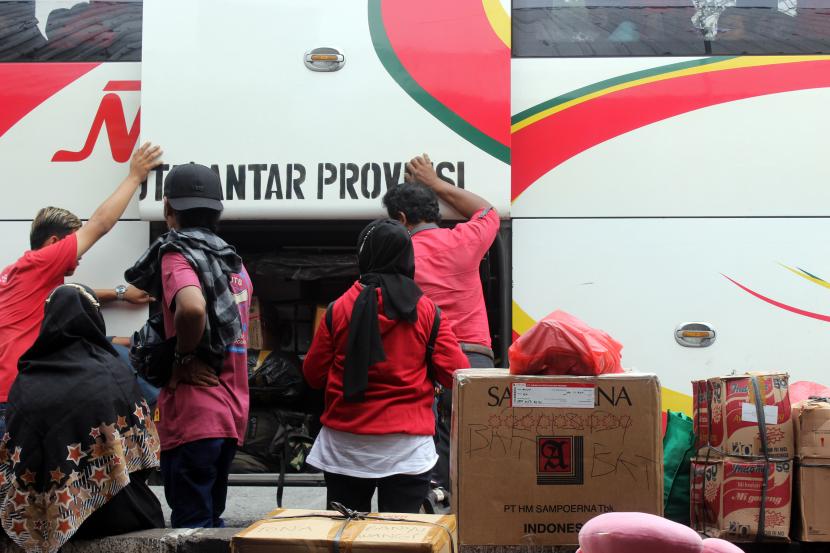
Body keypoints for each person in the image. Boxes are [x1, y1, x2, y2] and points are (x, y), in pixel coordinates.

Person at [303, 219, 468, 514]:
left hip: (345, 449)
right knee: (401, 540)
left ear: (364, 256)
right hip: (408, 450)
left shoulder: (338, 308)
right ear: (407, 256)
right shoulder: (427, 311)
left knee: (347, 541)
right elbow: (458, 372)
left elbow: (313, 375)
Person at [0, 142, 163, 433]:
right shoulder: (41, 262)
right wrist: (134, 177)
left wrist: (120, 294)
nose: (80, 256)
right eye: (75, 248)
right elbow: (100, 224)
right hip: (17, 398)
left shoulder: (18, 275)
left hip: (11, 395)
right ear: (53, 244)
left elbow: (70, 296)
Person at [125, 162, 251, 528]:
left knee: (190, 530)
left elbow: (193, 308)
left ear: (168, 210)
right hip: (230, 412)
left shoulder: (177, 254)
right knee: (211, 523)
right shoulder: (234, 263)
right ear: (218, 211)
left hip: (195, 414)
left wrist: (182, 357)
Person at [0, 284, 163, 553]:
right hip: (113, 513)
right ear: (94, 318)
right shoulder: (115, 371)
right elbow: (144, 460)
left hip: (42, 516)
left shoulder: (25, 379)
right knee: (148, 508)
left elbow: (13, 463)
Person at [382, 153, 500, 498]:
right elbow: (487, 211)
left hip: (423, 360)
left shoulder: (398, 255)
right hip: (473, 358)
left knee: (424, 433)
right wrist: (436, 183)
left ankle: (431, 494)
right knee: (469, 438)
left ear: (401, 219)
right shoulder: (465, 239)